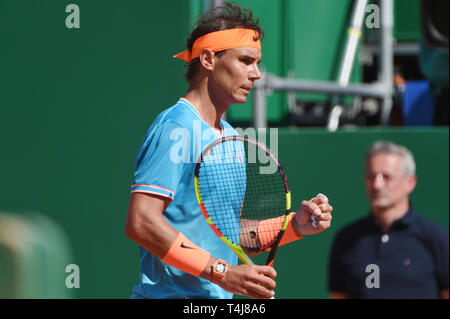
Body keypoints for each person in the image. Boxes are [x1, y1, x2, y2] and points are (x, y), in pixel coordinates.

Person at [124, 3, 333, 299]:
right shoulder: (175, 127)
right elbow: (141, 222)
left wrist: (293, 226)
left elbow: (223, 235)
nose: (257, 74)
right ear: (209, 59)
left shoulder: (232, 137)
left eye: (257, 63)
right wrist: (221, 273)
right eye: (246, 61)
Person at [328, 141, 449, 299]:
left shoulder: (436, 238)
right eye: (371, 177)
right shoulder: (346, 239)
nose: (377, 185)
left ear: (410, 182)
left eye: (387, 177)